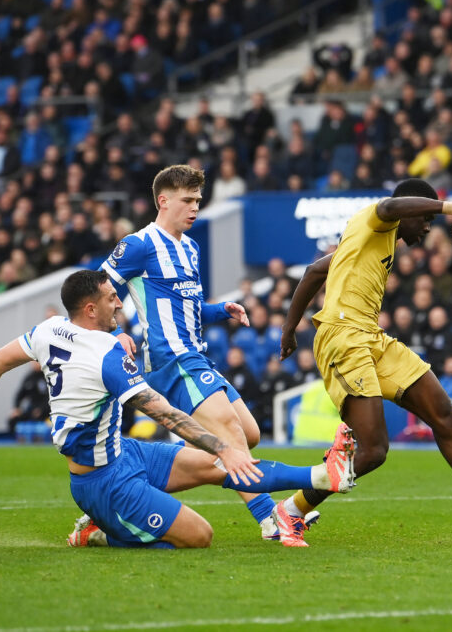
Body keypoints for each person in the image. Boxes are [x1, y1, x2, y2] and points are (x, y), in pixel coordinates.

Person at [0, 270, 355, 549]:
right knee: (200, 535)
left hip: (125, 452)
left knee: (221, 466)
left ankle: (322, 476)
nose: (119, 306)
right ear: (90, 309)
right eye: (111, 300)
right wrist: (220, 444)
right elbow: (162, 412)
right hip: (102, 482)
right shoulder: (104, 355)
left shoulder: (49, 329)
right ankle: (101, 531)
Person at [278, 178, 452, 547]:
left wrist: (289, 329)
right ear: (415, 208)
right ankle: (291, 511)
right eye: (424, 219)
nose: (426, 228)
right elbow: (389, 207)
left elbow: (314, 273)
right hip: (342, 337)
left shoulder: (373, 242)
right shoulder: (374, 219)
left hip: (372, 338)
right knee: (373, 452)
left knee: (445, 417)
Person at [99, 164, 310, 544]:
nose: (195, 208)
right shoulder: (138, 245)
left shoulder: (191, 247)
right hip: (171, 359)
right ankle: (270, 517)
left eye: (198, 200)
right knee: (229, 433)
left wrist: (218, 311)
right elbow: (97, 288)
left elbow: (188, 305)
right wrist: (115, 332)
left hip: (196, 355)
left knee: (248, 433)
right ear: (163, 201)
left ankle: (134, 487)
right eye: (187, 200)